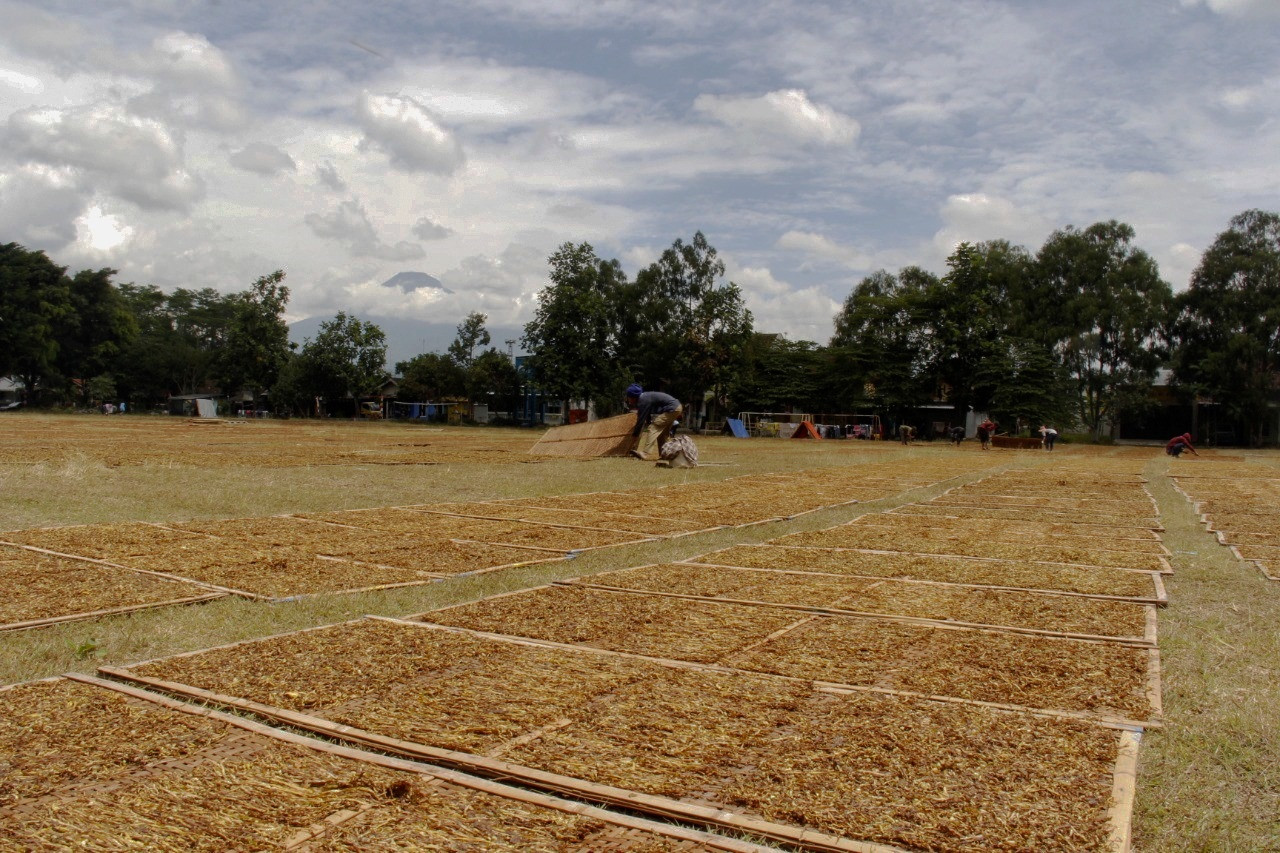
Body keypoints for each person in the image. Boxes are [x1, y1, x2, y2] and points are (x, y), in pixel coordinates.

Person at [624, 384, 682, 461]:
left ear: (633, 397)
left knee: (653, 427)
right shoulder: (645, 397)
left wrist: (635, 434)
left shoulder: (643, 400)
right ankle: (664, 454)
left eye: (628, 397)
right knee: (663, 434)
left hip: (672, 409)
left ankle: (645, 453)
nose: (628, 399)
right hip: (676, 407)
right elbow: (647, 415)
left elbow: (641, 420)